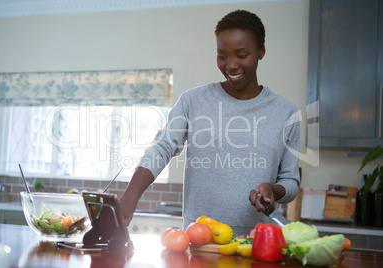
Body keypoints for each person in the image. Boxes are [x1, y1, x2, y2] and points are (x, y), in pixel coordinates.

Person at [120, 9, 300, 235]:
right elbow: (162, 147)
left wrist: (273, 188)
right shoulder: (193, 101)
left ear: (261, 51)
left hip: (259, 242)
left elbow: (291, 181)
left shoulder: (286, 113)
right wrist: (130, 197)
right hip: (198, 241)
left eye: (241, 55)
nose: (231, 65)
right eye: (222, 55)